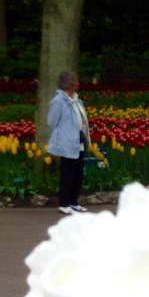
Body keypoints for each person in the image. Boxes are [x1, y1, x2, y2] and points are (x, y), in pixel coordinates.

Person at [47, 70, 90, 214]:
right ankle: (64, 204)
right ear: (68, 83)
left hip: (79, 140)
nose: (78, 83)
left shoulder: (77, 100)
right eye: (75, 81)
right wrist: (63, 136)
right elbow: (51, 123)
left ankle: (73, 202)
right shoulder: (58, 101)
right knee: (68, 173)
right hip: (67, 143)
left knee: (78, 173)